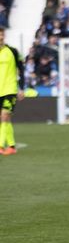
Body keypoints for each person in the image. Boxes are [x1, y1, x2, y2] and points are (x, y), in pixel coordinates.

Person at [0, 27, 22, 155]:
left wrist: (22, 87)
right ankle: (12, 146)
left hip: (9, 89)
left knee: (4, 116)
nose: (0, 38)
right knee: (5, 119)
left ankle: (1, 146)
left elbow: (21, 69)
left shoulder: (12, 51)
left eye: (1, 35)